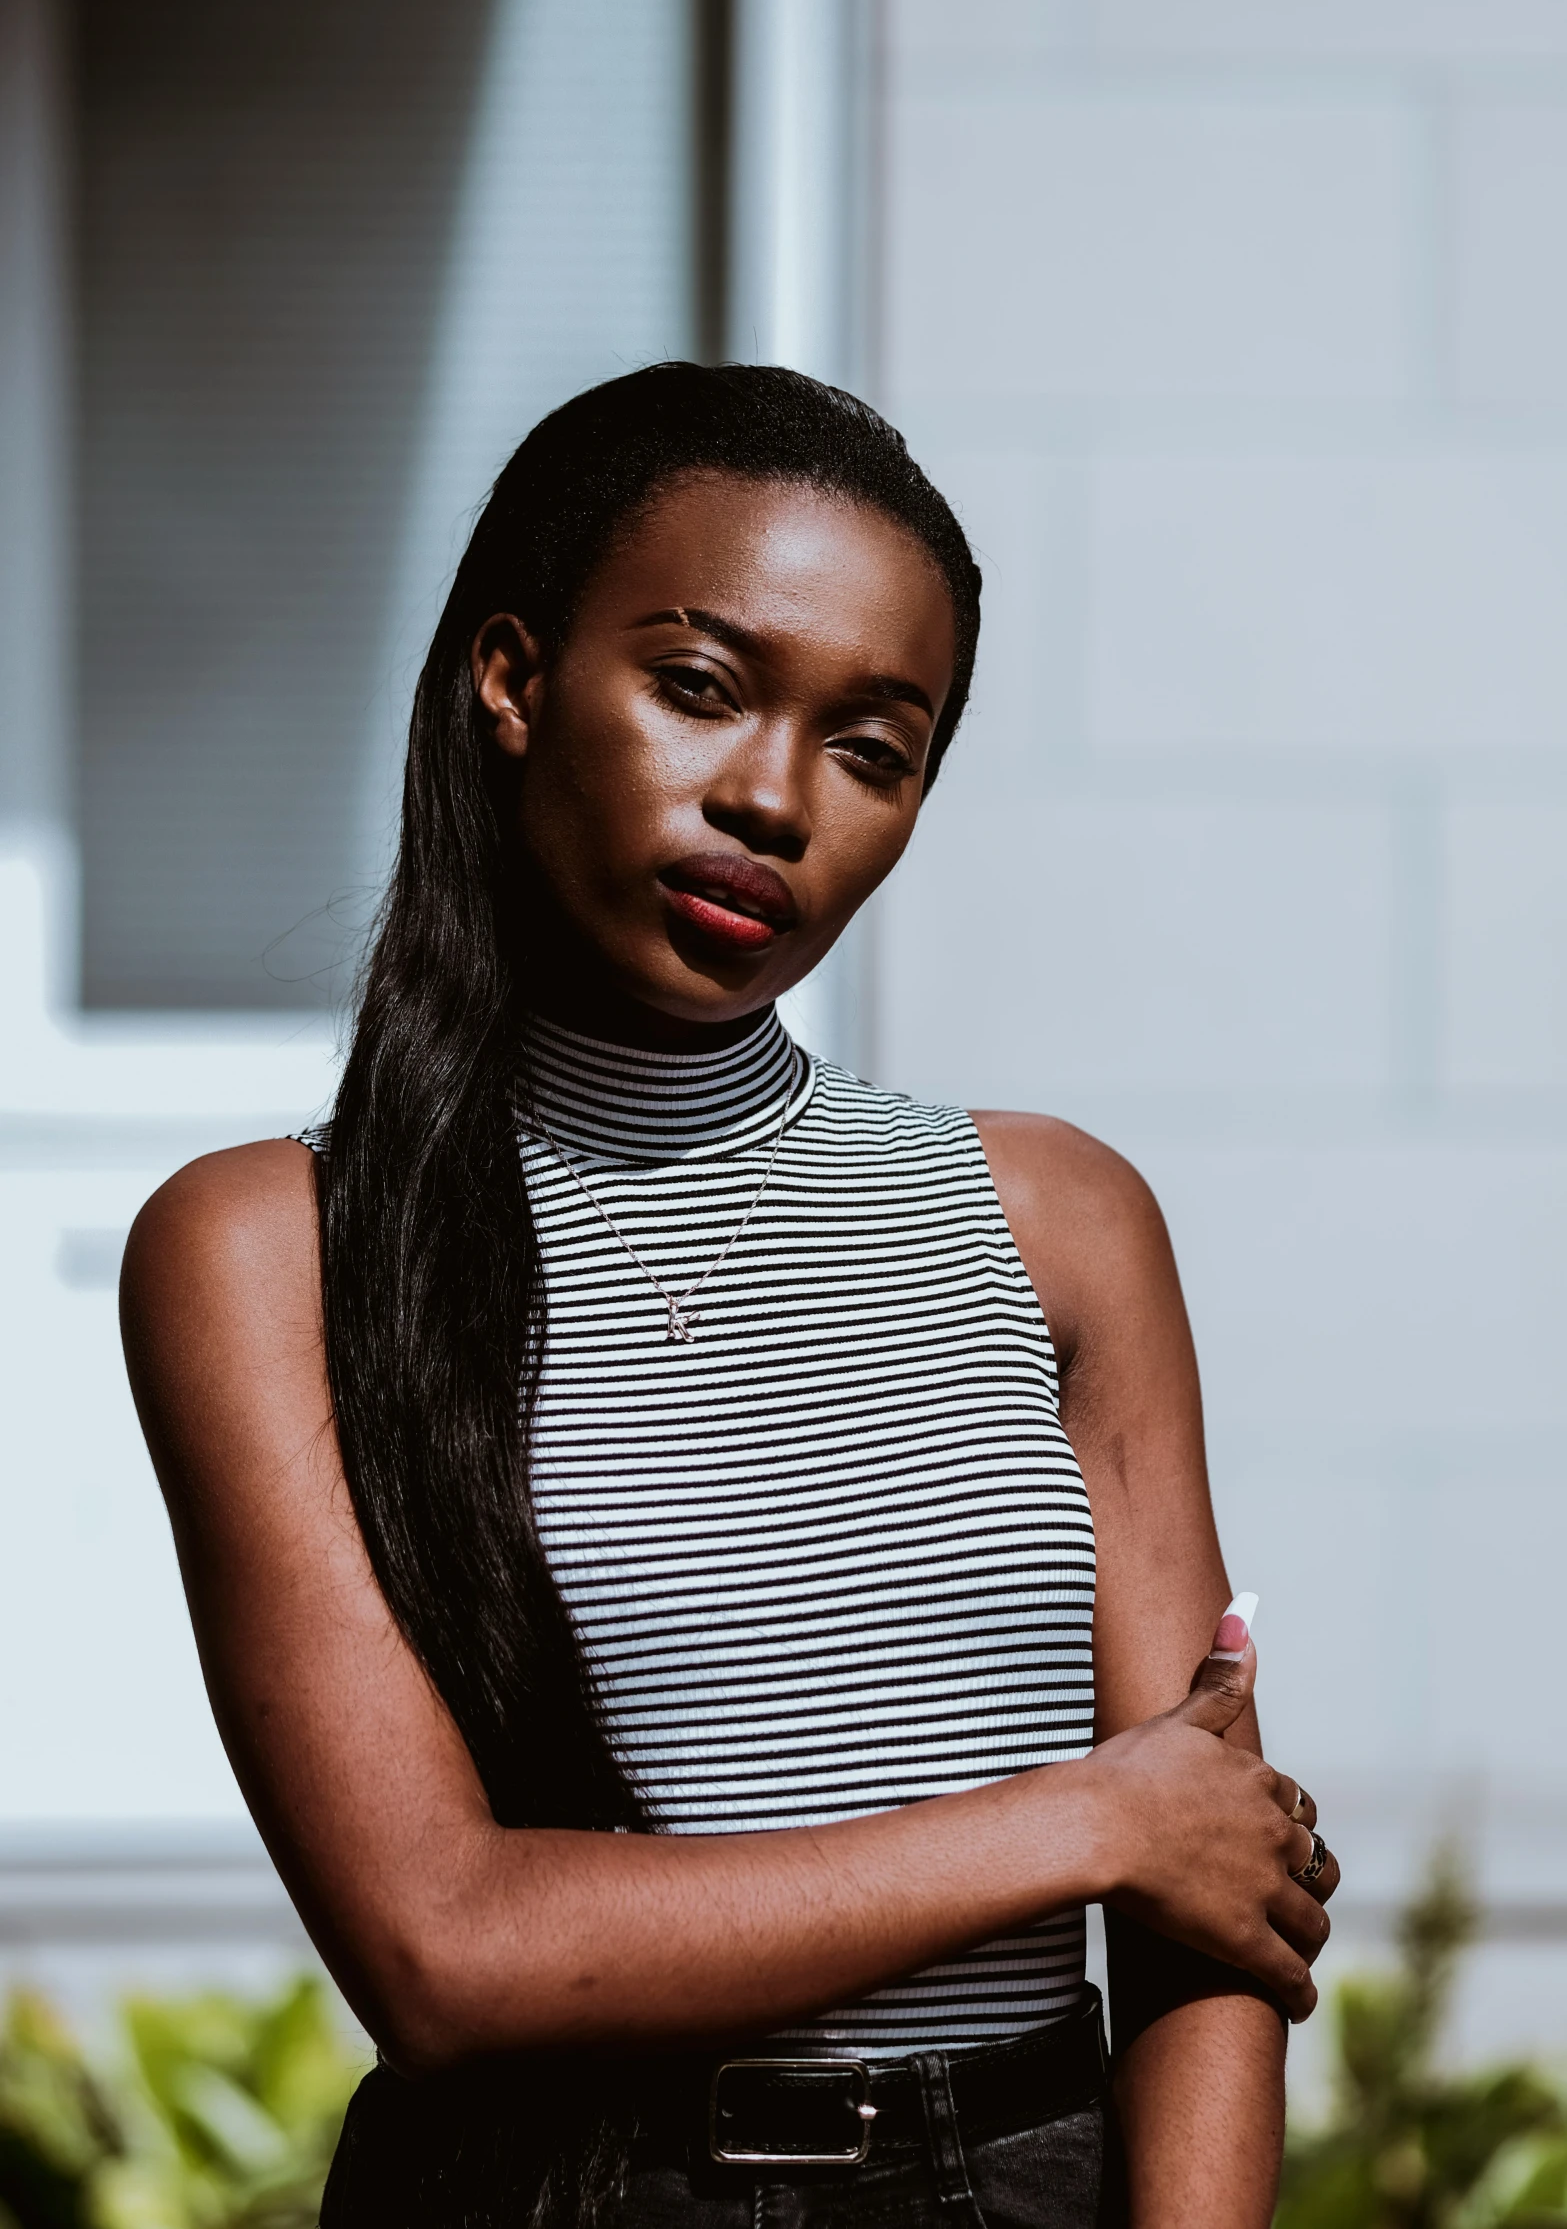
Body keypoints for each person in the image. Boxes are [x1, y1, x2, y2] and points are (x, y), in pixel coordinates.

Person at [120, 364, 1337, 2229]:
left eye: (874, 745)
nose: (772, 798)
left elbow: (1209, 1915)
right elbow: (448, 1947)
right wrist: (1085, 1821)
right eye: (697, 687)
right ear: (512, 679)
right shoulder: (271, 1247)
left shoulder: (1058, 1217)